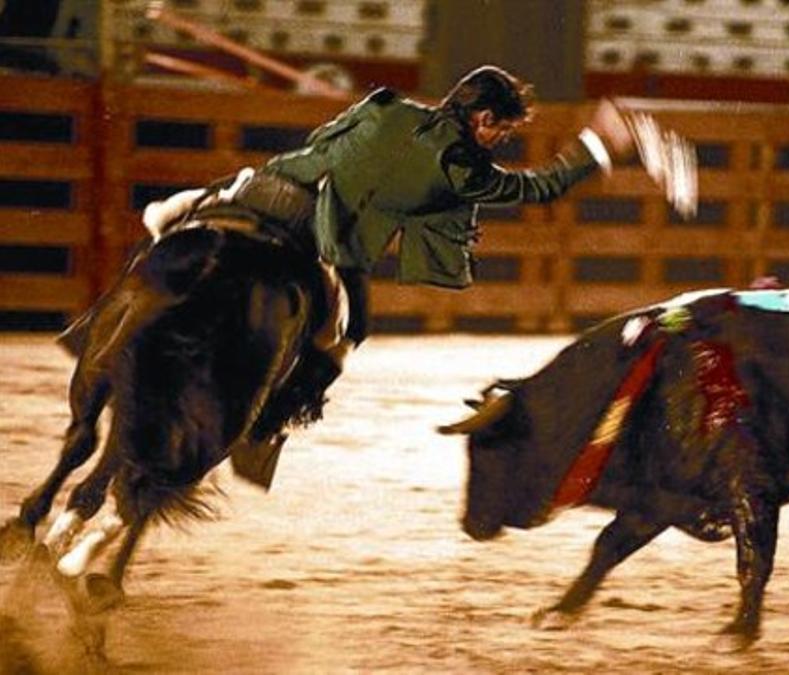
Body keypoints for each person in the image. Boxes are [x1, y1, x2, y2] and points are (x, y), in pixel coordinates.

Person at [60, 64, 636, 458]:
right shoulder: (463, 168)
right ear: (483, 120)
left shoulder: (384, 103)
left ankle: (97, 330)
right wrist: (596, 148)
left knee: (171, 224)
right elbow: (537, 189)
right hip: (324, 240)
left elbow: (325, 140)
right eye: (501, 131)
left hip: (263, 189)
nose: (499, 141)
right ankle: (268, 420)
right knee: (345, 332)